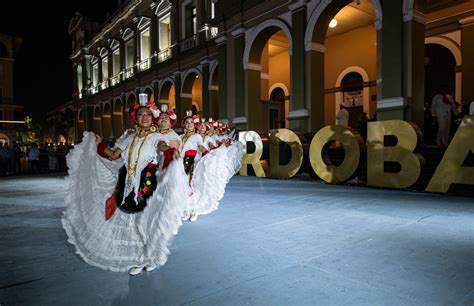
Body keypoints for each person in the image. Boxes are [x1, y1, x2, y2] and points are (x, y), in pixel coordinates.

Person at [62, 96, 189, 276]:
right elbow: (113, 155)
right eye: (140, 114)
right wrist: (99, 145)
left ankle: (150, 257)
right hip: (128, 183)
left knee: (145, 222)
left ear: (152, 118)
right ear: (135, 118)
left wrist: (169, 151)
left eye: (147, 114)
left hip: (148, 184)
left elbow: (162, 146)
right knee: (132, 222)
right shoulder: (129, 138)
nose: (144, 117)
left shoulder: (157, 137)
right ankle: (140, 257)